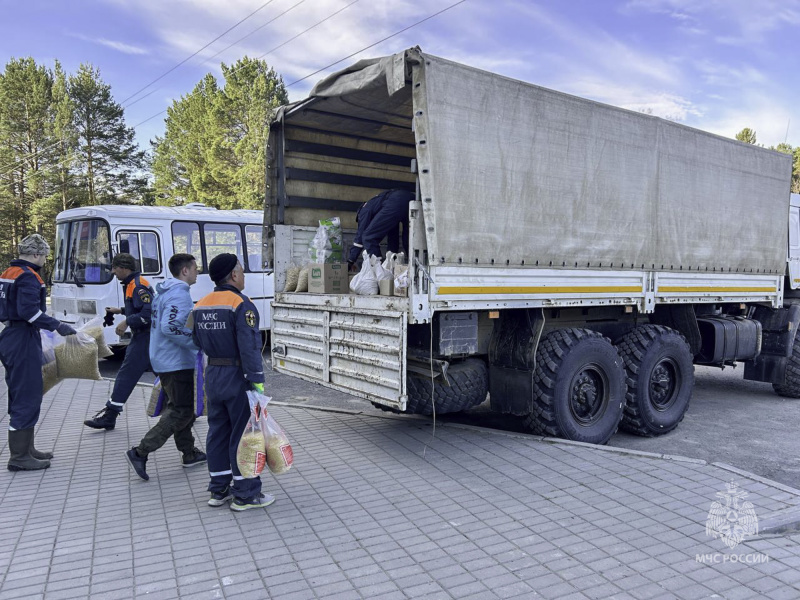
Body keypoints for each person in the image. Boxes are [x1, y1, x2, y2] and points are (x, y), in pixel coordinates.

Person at [192, 253, 272, 512]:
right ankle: (246, 494)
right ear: (235, 275)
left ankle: (219, 489)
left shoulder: (200, 304)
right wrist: (257, 383)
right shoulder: (241, 304)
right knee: (244, 435)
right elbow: (249, 348)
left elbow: (194, 340)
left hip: (213, 375)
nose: (244, 276)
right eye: (243, 271)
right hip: (238, 378)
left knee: (217, 431)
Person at [125, 253, 207, 481]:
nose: (197, 272)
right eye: (195, 269)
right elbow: (170, 327)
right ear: (185, 271)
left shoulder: (165, 292)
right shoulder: (178, 295)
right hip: (175, 361)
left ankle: (189, 453)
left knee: (182, 407)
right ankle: (140, 452)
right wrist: (195, 342)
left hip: (164, 358)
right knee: (180, 410)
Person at [0, 234, 77, 471]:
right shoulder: (28, 277)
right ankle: (19, 457)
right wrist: (58, 326)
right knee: (28, 394)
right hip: (22, 338)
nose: (45, 259)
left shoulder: (7, 273)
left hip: (12, 336)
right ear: (35, 254)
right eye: (44, 255)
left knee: (21, 391)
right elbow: (29, 312)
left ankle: (27, 448)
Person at [84, 253, 153, 430]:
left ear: (124, 268)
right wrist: (120, 310)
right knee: (168, 377)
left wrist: (127, 321)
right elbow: (137, 308)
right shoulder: (131, 284)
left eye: (115, 268)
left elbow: (148, 314)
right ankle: (189, 408)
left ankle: (110, 415)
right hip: (147, 337)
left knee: (126, 375)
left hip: (145, 338)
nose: (113, 272)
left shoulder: (138, 286)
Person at [346, 188, 415, 269]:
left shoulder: (363, 211)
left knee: (368, 237)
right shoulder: (378, 205)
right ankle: (412, 267)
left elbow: (360, 238)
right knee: (409, 240)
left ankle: (379, 270)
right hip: (411, 199)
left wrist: (351, 260)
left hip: (395, 201)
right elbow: (393, 239)